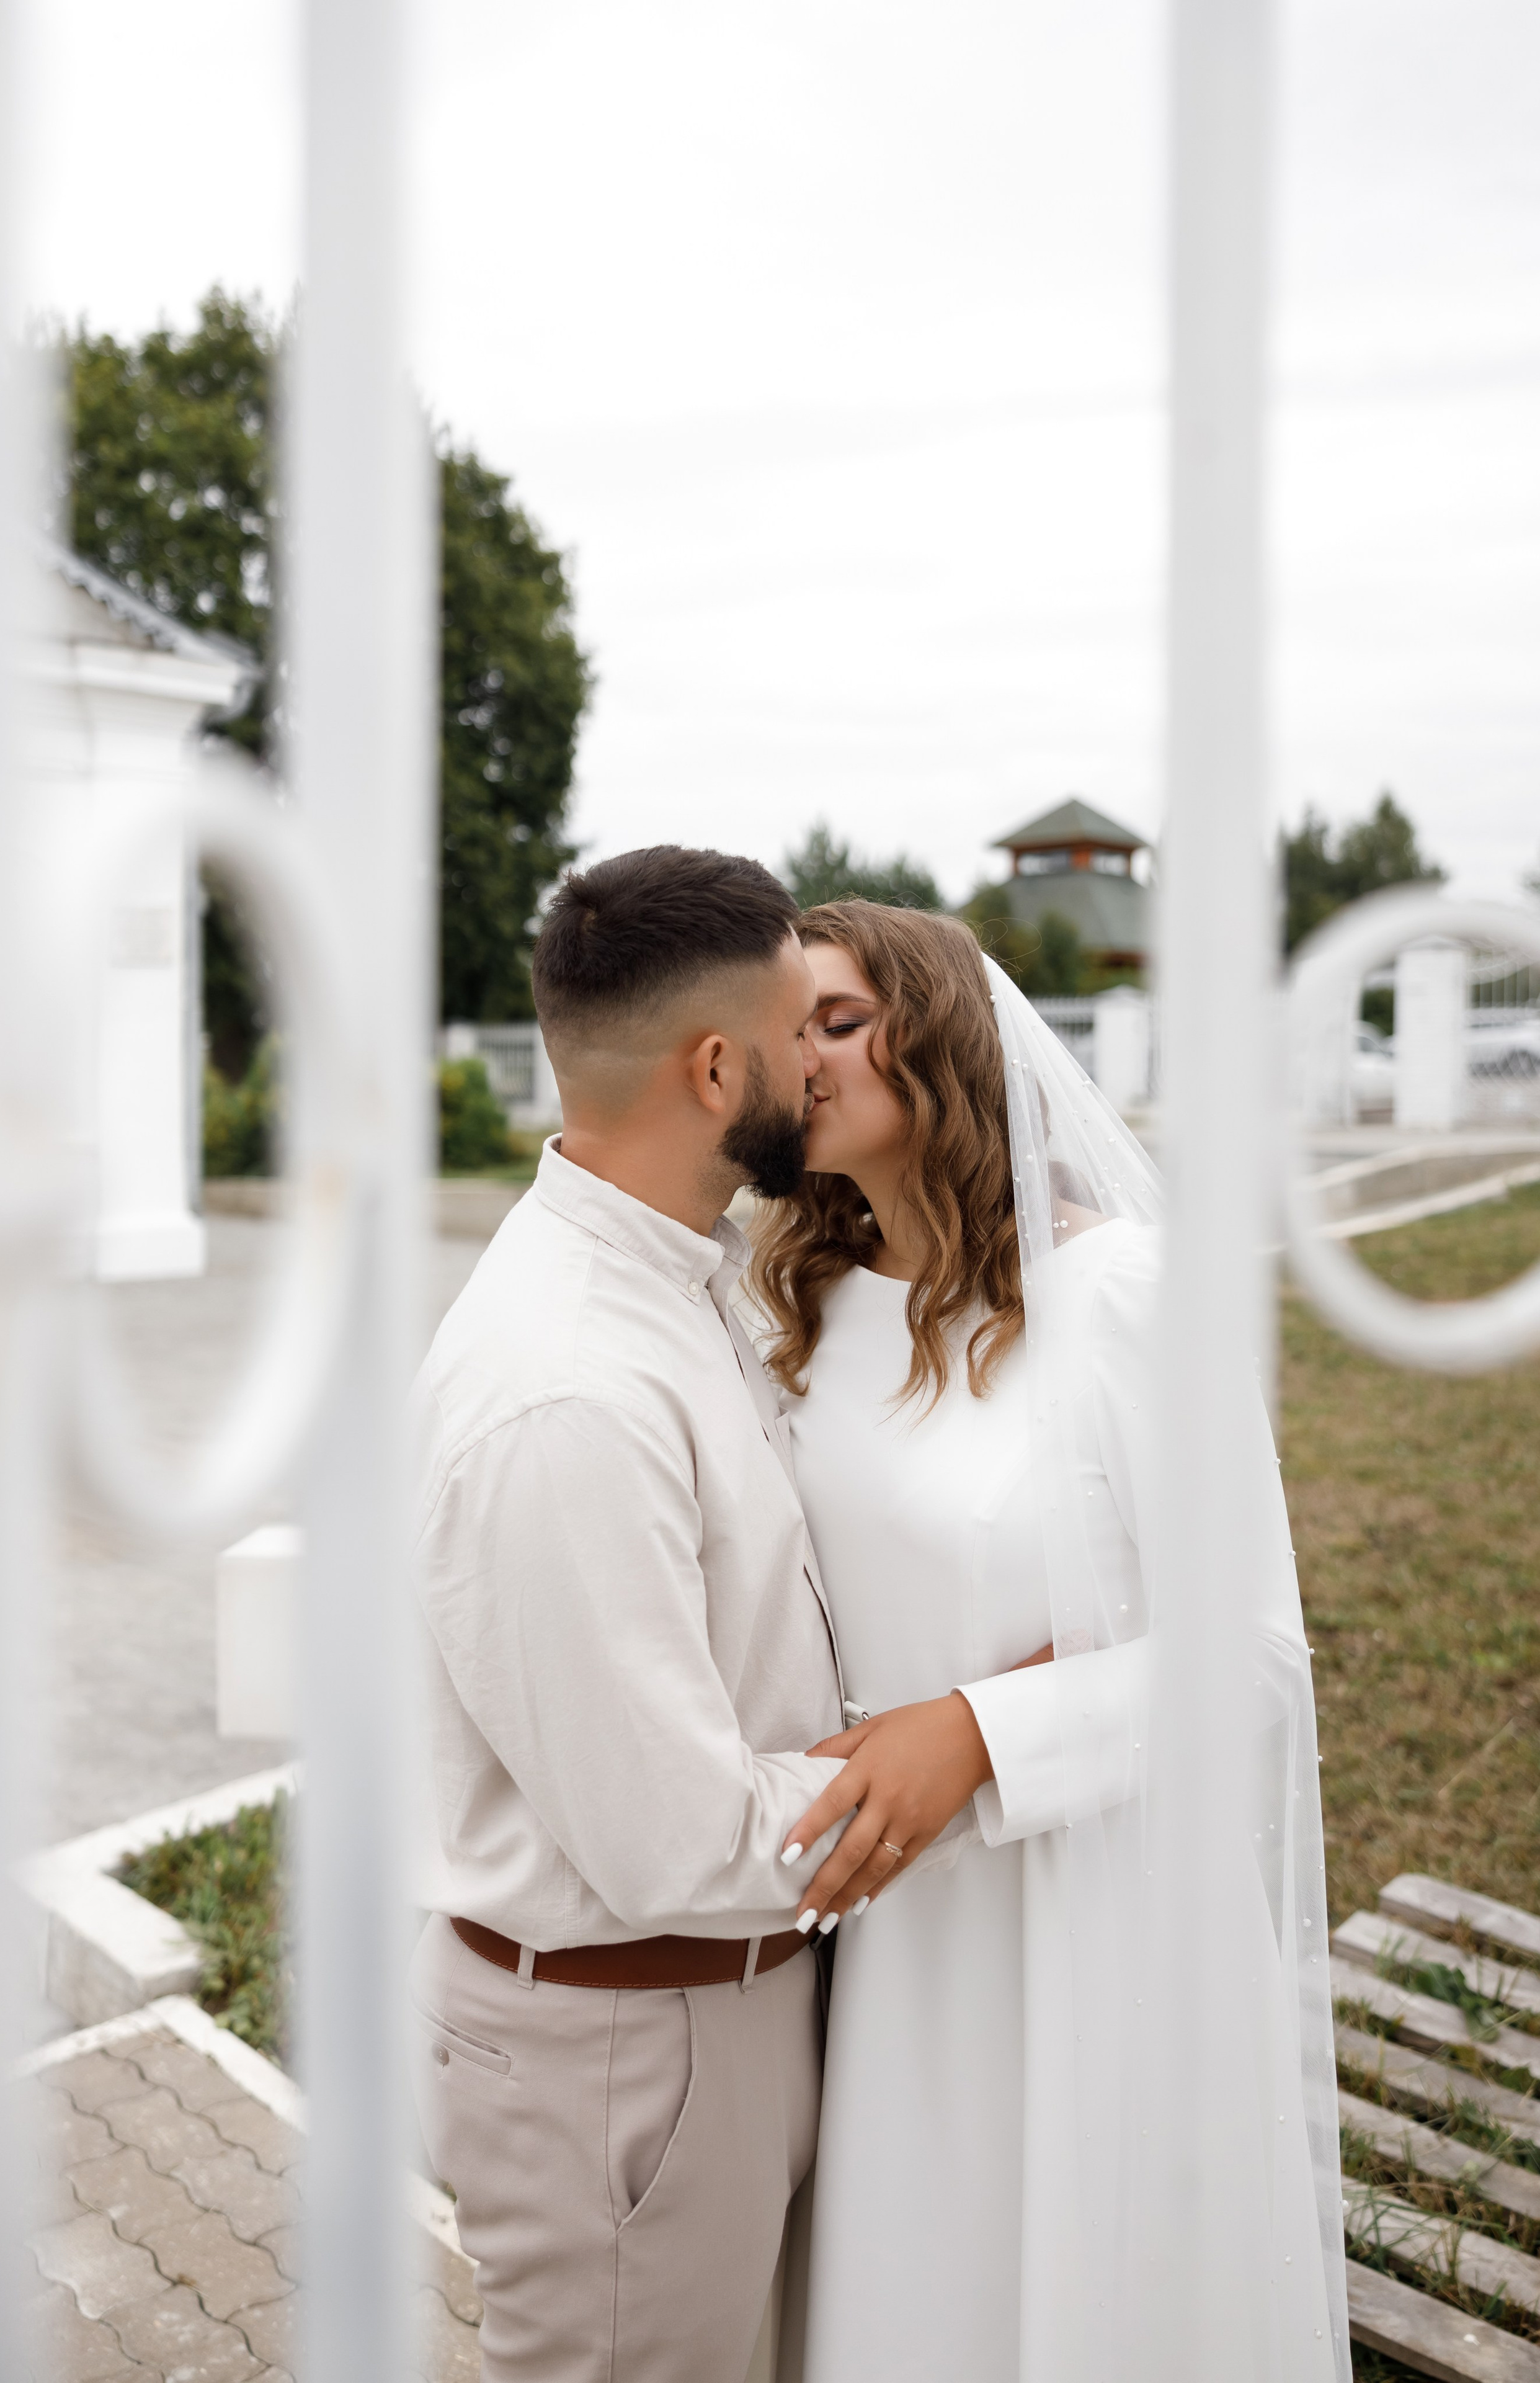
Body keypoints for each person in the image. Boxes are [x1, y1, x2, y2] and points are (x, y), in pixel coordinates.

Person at [748, 902, 1349, 2383]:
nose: (802, 1058)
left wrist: (973, 1733)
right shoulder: (801, 1304)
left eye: (839, 1020)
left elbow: (1251, 1651)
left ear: (941, 1034)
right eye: (783, 1029)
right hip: (883, 1921)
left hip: (1086, 1905)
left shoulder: (1123, 1292)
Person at [407, 846, 853, 2383]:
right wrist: (954, 1759)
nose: (819, 1061)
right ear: (715, 1067)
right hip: (621, 2055)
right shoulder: (567, 1392)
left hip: (709, 2009)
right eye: (800, 1030)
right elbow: (674, 1839)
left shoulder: (681, 1275)